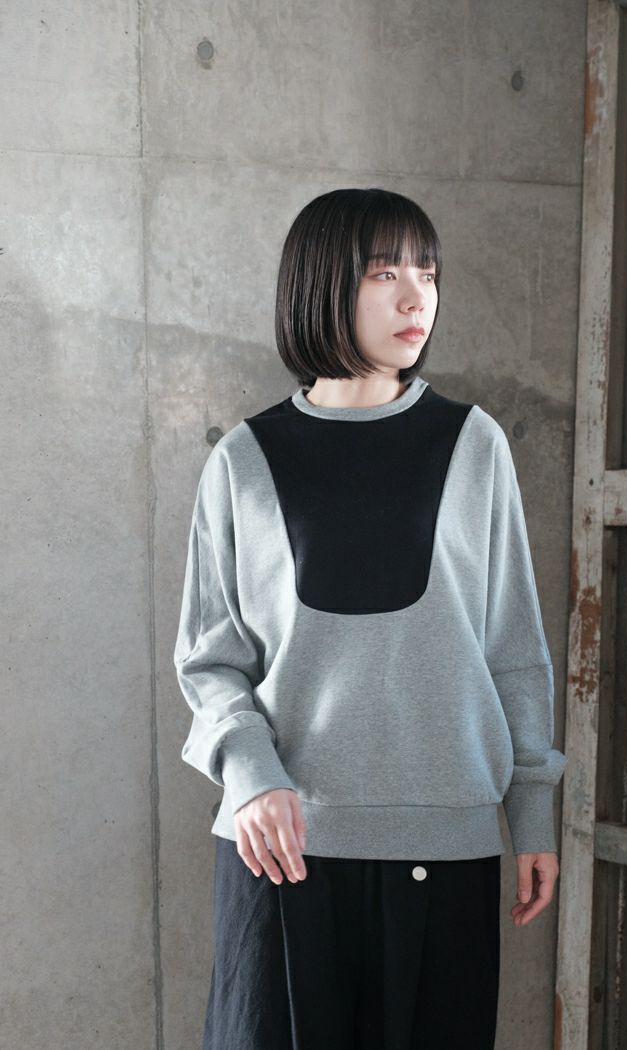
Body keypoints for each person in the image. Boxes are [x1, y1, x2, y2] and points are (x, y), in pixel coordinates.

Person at [173, 187, 568, 1050]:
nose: (416, 297)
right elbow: (210, 660)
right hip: (281, 852)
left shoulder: (474, 444)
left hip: (445, 844)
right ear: (321, 285)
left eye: (428, 272)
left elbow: (512, 648)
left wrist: (532, 810)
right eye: (384, 273)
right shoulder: (245, 459)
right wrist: (251, 773)